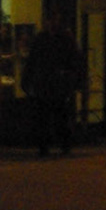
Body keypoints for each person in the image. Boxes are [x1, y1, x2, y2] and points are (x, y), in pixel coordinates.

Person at [22, 12, 85, 155]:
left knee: (60, 115)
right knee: (44, 116)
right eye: (49, 20)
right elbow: (32, 61)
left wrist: (72, 79)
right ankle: (45, 146)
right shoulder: (42, 39)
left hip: (58, 83)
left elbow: (75, 61)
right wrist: (27, 80)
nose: (50, 23)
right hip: (45, 82)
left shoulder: (64, 39)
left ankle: (63, 145)